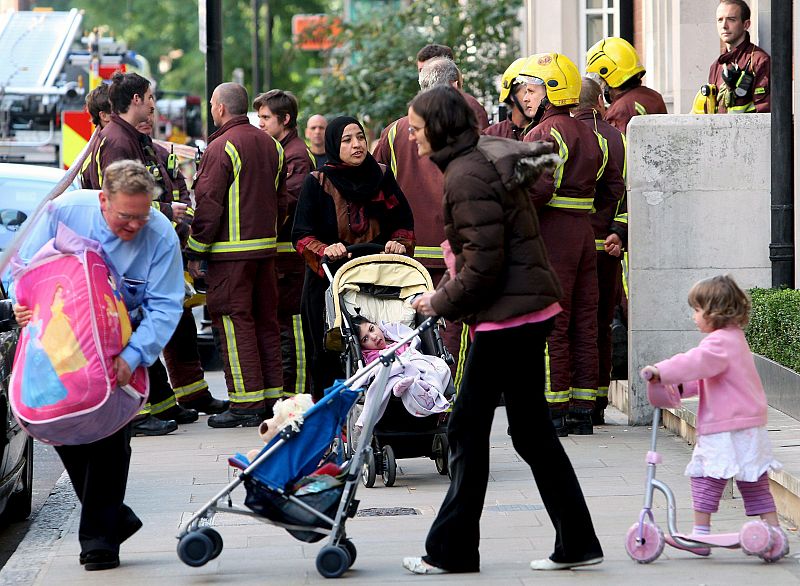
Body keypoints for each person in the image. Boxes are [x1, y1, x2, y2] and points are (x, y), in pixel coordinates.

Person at [402, 85, 603, 575]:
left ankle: (452, 551)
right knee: (530, 432)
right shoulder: (473, 160)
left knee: (467, 429)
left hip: (507, 318)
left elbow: (483, 267)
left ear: (439, 127)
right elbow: (481, 255)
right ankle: (577, 540)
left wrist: (436, 300)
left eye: (415, 126)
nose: (411, 134)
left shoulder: (465, 175)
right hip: (523, 311)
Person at [13, 160, 184, 571]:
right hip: (61, 341)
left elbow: (164, 305)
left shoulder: (159, 235)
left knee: (109, 436)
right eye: (126, 217)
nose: (134, 226)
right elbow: (23, 266)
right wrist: (23, 302)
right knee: (66, 428)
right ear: (103, 200)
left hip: (119, 345)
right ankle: (114, 517)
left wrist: (133, 356)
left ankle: (98, 541)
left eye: (142, 216)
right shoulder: (64, 211)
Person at [641, 275, 786, 554]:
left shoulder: (718, 343)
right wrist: (679, 387)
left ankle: (700, 533)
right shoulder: (734, 339)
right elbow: (708, 376)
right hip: (747, 423)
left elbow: (695, 362)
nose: (694, 316)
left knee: (706, 475)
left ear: (715, 312)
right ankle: (775, 533)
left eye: (697, 309)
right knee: (753, 479)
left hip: (725, 425)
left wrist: (661, 371)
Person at [82, 72, 193, 435]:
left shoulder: (127, 137)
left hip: (132, 247)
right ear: (133, 100)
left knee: (136, 330)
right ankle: (134, 416)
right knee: (123, 333)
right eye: (148, 96)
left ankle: (153, 407)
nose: (152, 102)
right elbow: (120, 201)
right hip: (120, 253)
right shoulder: (117, 141)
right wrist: (162, 212)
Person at [521, 53, 625, 436]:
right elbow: (613, 186)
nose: (526, 97)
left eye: (531, 90)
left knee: (553, 321)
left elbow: (537, 190)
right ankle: (584, 409)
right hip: (584, 231)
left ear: (550, 92)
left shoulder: (543, 133)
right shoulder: (592, 133)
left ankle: (555, 408)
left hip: (552, 234)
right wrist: (584, 208)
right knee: (585, 320)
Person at [292, 116, 415, 400]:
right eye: (347, 140)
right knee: (327, 353)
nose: (357, 145)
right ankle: (330, 421)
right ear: (335, 144)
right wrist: (324, 249)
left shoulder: (382, 176)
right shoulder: (318, 181)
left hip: (378, 283)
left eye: (360, 137)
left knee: (382, 345)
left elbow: (403, 222)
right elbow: (301, 235)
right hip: (329, 284)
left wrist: (398, 243)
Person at [187, 82, 288, 428]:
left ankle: (245, 404)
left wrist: (196, 249)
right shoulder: (273, 145)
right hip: (265, 251)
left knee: (233, 322)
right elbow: (282, 200)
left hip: (230, 256)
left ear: (220, 108)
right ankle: (272, 397)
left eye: (213, 104)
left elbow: (209, 204)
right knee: (265, 323)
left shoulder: (221, 147)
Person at [373, 57, 470, 389]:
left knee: (406, 329)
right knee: (453, 328)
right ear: (455, 85)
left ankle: (416, 393)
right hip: (453, 249)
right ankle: (448, 396)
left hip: (406, 253)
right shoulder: (463, 130)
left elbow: (375, 181)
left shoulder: (396, 131)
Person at [134, 114, 228, 418]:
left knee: (181, 325)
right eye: (143, 116)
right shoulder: (124, 151)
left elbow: (182, 194)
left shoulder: (160, 154)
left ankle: (192, 393)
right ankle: (158, 403)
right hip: (144, 256)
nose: (148, 120)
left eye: (151, 116)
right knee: (151, 328)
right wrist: (165, 213)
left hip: (170, 249)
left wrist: (182, 226)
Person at [572, 77, 627, 426]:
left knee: (570, 325)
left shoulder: (558, 134)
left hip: (567, 248)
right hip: (605, 248)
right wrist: (618, 232)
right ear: (600, 101)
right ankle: (597, 398)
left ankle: (573, 399)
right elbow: (624, 191)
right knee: (601, 324)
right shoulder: (614, 137)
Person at [253, 89, 315, 397]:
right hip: (283, 261)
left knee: (292, 328)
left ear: (285, 119)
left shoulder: (295, 156)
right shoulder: (283, 150)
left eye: (266, 117)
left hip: (291, 261)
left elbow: (287, 201)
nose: (261, 123)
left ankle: (298, 396)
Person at [351, 316, 451, 426]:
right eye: (365, 339)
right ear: (363, 347)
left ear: (376, 325)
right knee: (395, 374)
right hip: (399, 371)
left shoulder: (394, 335)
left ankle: (425, 387)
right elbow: (376, 369)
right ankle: (403, 387)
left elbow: (413, 342)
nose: (374, 337)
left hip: (416, 362)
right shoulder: (372, 356)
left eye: (371, 329)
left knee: (435, 367)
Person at [585, 37, 668, 133]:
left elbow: (617, 146)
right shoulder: (654, 96)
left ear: (608, 75)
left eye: (600, 79)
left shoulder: (619, 111)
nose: (601, 85)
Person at [709, 0, 770, 113]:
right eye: (720, 20)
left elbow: (764, 113)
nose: (724, 26)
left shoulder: (759, 61)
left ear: (746, 24)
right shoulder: (716, 66)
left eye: (731, 19)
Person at [416, 44, 489, 130]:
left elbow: (482, 141)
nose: (423, 76)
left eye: (428, 69)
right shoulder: (418, 109)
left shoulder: (470, 107)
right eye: (421, 71)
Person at [483, 57, 531, 140]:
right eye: (527, 92)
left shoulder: (546, 132)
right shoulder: (491, 135)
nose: (530, 98)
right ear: (512, 96)